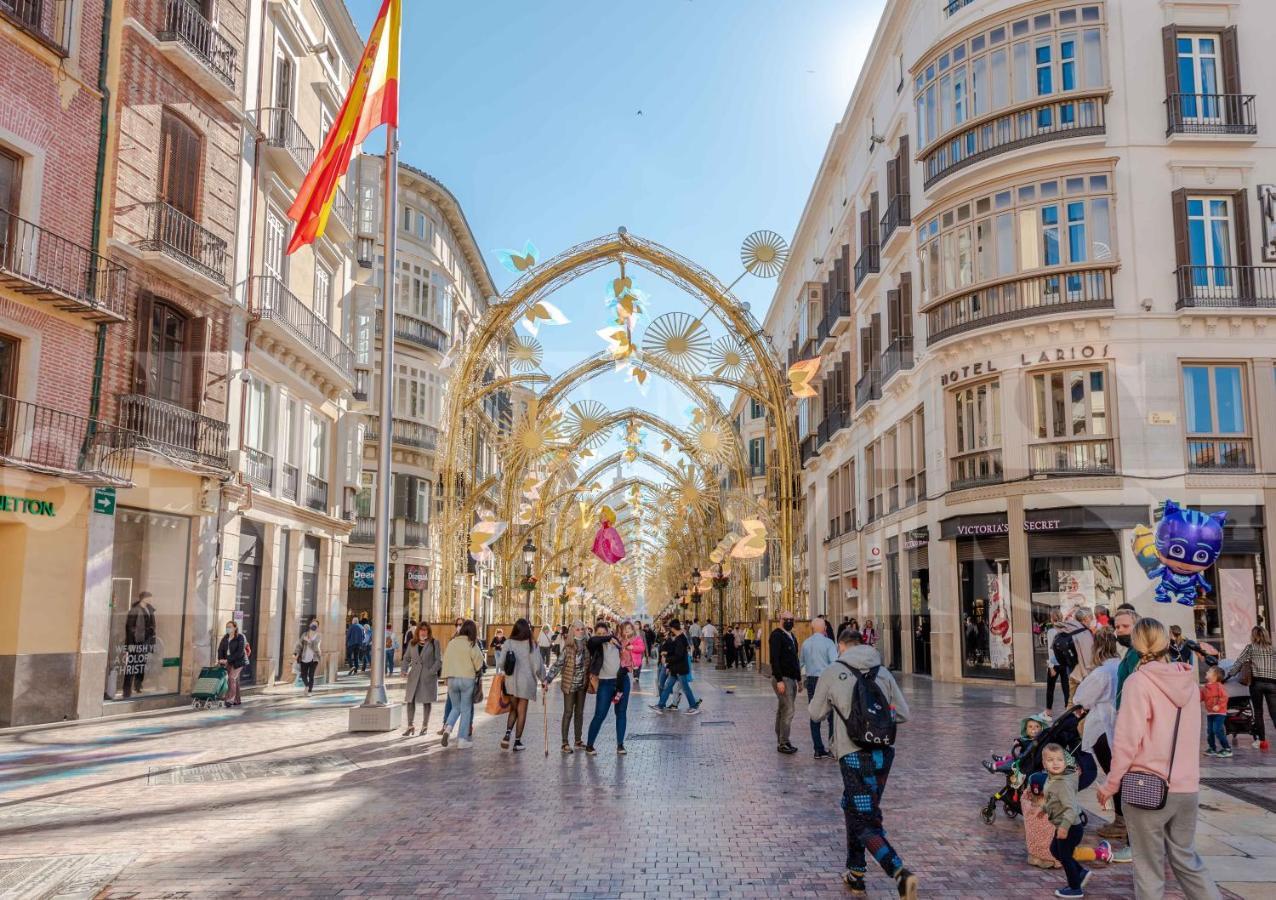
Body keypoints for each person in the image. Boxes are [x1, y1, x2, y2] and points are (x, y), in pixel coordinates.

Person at [1097, 618, 1220, 900]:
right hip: (1186, 787)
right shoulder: (1188, 681)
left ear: (1137, 645)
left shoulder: (1138, 682)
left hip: (1146, 787)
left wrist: (1111, 784)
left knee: (1149, 867)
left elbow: (1127, 740)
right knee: (1187, 861)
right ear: (1165, 642)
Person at [809, 627, 916, 899]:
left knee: (864, 821)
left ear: (841, 646)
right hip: (883, 753)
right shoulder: (882, 671)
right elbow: (902, 713)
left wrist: (841, 705)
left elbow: (815, 712)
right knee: (854, 807)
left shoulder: (833, 671)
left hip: (853, 754)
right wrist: (878, 718)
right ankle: (856, 872)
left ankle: (899, 872)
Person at [1038, 743, 1090, 898]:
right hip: (1063, 825)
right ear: (1044, 763)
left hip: (1070, 827)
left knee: (1065, 857)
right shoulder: (1052, 778)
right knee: (1055, 850)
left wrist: (1064, 827)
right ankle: (1080, 873)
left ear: (1065, 762)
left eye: (1059, 760)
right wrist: (1045, 809)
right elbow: (1053, 800)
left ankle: (1075, 888)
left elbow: (1071, 808)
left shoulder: (1063, 784)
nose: (1055, 763)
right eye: (1051, 760)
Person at [1073, 628, 1122, 786]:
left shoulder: (1101, 672)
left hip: (1102, 725)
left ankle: (1119, 810)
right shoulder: (1121, 666)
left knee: (1112, 774)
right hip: (1120, 724)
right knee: (1119, 772)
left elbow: (1081, 699)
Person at [585, 620, 633, 754]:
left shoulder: (618, 642)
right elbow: (592, 641)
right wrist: (607, 637)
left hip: (621, 682)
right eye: (598, 633)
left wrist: (617, 642)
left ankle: (620, 745)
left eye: (604, 633)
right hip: (605, 683)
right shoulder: (596, 645)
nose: (601, 636)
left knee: (621, 713)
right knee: (600, 714)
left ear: (609, 631)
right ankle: (589, 745)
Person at [502, 618, 547, 751]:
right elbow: (537, 665)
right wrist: (544, 679)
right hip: (526, 682)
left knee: (513, 709)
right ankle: (517, 742)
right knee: (522, 712)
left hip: (511, 681)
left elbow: (500, 663)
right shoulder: (532, 644)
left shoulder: (508, 642)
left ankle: (507, 734)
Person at [1228, 625, 1276, 750]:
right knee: (1274, 712)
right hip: (1272, 683)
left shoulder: (1250, 648)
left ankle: (1262, 741)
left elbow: (1239, 662)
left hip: (1257, 684)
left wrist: (1228, 675)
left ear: (1253, 636)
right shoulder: (1273, 649)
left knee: (1258, 712)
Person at [545, 621, 591, 752]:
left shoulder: (587, 646)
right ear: (572, 631)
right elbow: (558, 665)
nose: (580, 631)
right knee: (568, 712)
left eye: (582, 629)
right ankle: (564, 743)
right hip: (569, 685)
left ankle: (578, 740)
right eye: (577, 629)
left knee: (580, 713)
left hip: (582, 684)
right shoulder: (568, 647)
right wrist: (548, 679)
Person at [440, 619, 484, 748]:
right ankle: (462, 740)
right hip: (466, 679)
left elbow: (446, 660)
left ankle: (448, 728)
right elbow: (479, 662)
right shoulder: (472, 644)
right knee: (466, 709)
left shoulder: (452, 643)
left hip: (452, 679)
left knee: (455, 707)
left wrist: (445, 678)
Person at [800, 615, 839, 759]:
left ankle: (817, 748)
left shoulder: (806, 643)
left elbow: (801, 663)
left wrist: (801, 680)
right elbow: (835, 663)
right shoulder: (829, 643)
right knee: (832, 714)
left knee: (814, 713)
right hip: (827, 680)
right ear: (824, 628)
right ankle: (832, 746)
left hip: (812, 681)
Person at [769, 610, 802, 755]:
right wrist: (779, 680)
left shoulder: (792, 636)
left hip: (792, 678)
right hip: (783, 679)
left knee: (783, 709)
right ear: (780, 620)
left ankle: (782, 740)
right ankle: (783, 742)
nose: (789, 621)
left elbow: (795, 659)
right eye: (786, 619)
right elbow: (774, 659)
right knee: (789, 710)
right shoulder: (776, 635)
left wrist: (799, 679)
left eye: (791, 619)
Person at [401, 623, 441, 737]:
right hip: (414, 676)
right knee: (410, 700)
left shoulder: (434, 643)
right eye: (421, 630)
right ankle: (410, 726)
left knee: (426, 701)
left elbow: (438, 661)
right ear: (417, 631)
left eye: (425, 630)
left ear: (428, 632)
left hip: (427, 677)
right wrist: (404, 670)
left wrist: (431, 672)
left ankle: (424, 726)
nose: (423, 632)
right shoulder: (412, 643)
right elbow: (406, 658)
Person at [652, 620, 700, 714]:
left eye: (670, 628)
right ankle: (660, 705)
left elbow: (679, 655)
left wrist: (667, 659)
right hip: (675, 669)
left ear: (673, 628)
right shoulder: (679, 638)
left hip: (680, 669)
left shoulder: (680, 639)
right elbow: (676, 652)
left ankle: (693, 706)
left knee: (685, 688)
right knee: (667, 687)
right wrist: (668, 653)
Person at [123, 592, 157, 698]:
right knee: (132, 666)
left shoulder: (150, 609)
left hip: (145, 642)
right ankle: (127, 690)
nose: (151, 600)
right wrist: (131, 645)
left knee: (141, 665)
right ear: (143, 598)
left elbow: (152, 625)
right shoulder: (135, 610)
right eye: (149, 598)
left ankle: (138, 687)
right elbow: (129, 628)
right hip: (136, 642)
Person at [1057, 606, 1096, 691]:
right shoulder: (1084, 633)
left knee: (1073, 699)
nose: (1093, 619)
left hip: (1070, 669)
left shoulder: (1069, 627)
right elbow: (1088, 658)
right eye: (1091, 617)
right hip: (1081, 674)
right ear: (1086, 618)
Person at [216, 620, 249, 707]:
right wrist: (220, 659)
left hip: (239, 661)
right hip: (229, 661)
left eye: (230, 627)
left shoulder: (241, 637)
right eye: (227, 627)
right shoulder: (225, 638)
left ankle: (229, 699)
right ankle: (237, 700)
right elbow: (220, 650)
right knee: (234, 680)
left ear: (235, 628)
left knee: (231, 678)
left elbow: (240, 652)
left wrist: (228, 660)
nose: (228, 628)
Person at [1201, 665, 1231, 758]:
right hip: (1210, 713)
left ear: (1215, 676)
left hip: (1219, 713)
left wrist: (1219, 705)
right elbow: (1201, 696)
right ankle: (1212, 748)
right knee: (1210, 731)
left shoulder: (1219, 686)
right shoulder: (1205, 687)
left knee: (1217, 730)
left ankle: (1227, 748)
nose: (1206, 672)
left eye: (1209, 671)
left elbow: (1225, 697)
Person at [1044, 610, 1069, 712]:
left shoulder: (1051, 631)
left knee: (1050, 688)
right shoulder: (1066, 630)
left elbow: (1050, 651)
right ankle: (1068, 709)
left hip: (1054, 663)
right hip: (1065, 662)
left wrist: (1050, 666)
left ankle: (1048, 711)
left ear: (1052, 619)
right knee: (1066, 688)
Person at [293, 618, 322, 694]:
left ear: (317, 627)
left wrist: (309, 641)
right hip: (304, 657)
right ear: (310, 625)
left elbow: (316, 648)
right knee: (303, 675)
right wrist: (295, 653)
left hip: (314, 658)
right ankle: (307, 685)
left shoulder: (318, 636)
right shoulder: (304, 634)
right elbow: (299, 645)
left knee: (311, 675)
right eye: (313, 624)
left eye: (315, 625)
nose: (314, 626)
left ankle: (309, 691)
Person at [622, 620, 646, 685]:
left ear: (632, 629)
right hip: (623, 664)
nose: (627, 630)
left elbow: (642, 648)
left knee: (629, 682)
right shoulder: (621, 639)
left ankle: (636, 677)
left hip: (634, 664)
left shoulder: (637, 638)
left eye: (629, 628)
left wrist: (633, 647)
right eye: (625, 628)